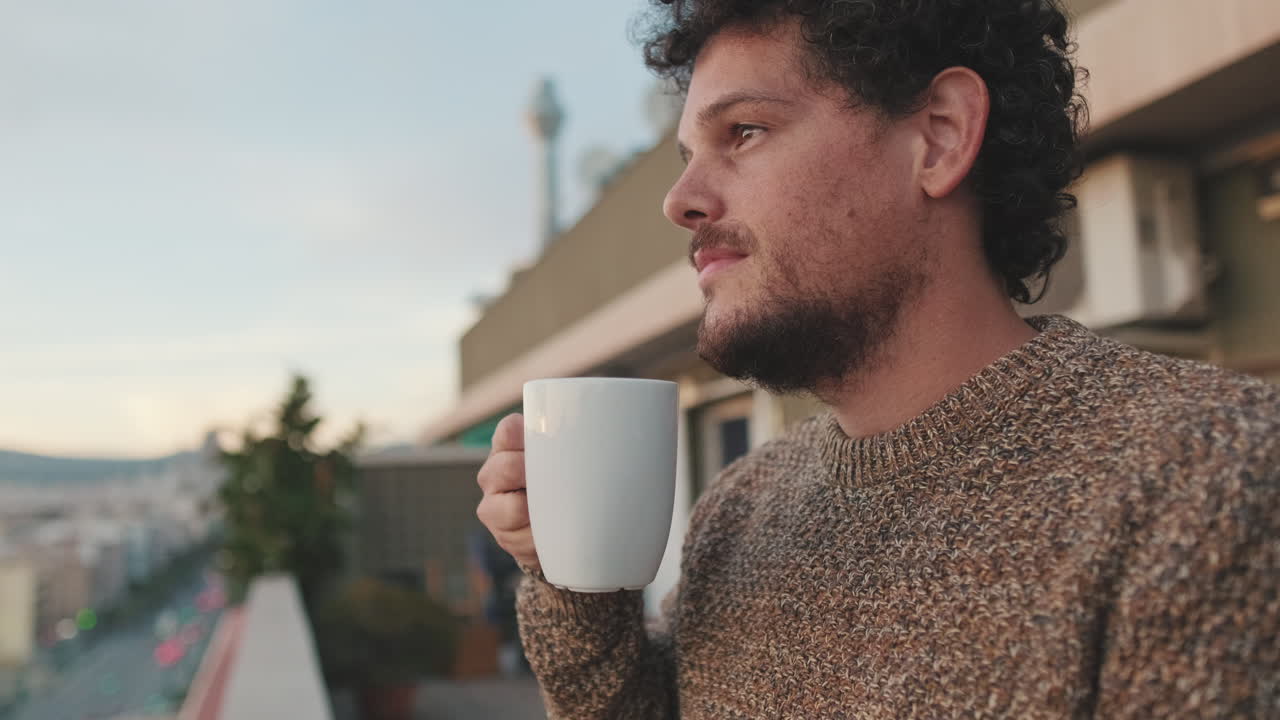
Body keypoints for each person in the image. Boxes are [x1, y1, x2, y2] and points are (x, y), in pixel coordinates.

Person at [476, 0, 1280, 716]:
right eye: (688, 151)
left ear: (938, 138)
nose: (679, 199)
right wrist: (570, 574)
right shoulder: (740, 506)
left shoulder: (1208, 476)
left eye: (743, 132)